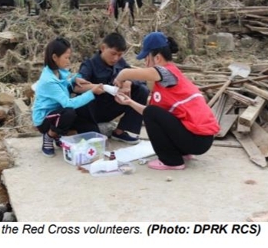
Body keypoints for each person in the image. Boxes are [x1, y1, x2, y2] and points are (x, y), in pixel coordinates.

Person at [113, 32, 220, 170]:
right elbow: (150, 113)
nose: (145, 64)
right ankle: (182, 152)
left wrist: (120, 77)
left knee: (152, 112)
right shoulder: (168, 81)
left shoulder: (166, 72)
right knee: (153, 112)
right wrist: (129, 102)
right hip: (199, 139)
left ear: (157, 58)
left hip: (197, 140)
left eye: (146, 59)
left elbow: (128, 73)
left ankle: (171, 161)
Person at [32, 37, 104, 157]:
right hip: (45, 119)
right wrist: (91, 93)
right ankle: (49, 137)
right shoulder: (48, 80)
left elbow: (68, 77)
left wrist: (75, 79)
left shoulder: (58, 71)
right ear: (55, 57)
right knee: (69, 112)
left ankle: (58, 134)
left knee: (81, 117)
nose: (68, 61)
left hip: (56, 113)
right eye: (66, 58)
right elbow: (68, 104)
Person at [75, 32, 150, 144]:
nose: (116, 58)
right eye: (113, 54)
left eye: (120, 55)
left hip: (114, 104)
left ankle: (120, 131)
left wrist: (129, 82)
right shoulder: (89, 65)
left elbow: (139, 79)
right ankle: (90, 132)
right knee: (84, 97)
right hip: (94, 109)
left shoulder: (120, 62)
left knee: (142, 90)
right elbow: (77, 87)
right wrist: (99, 87)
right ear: (103, 48)